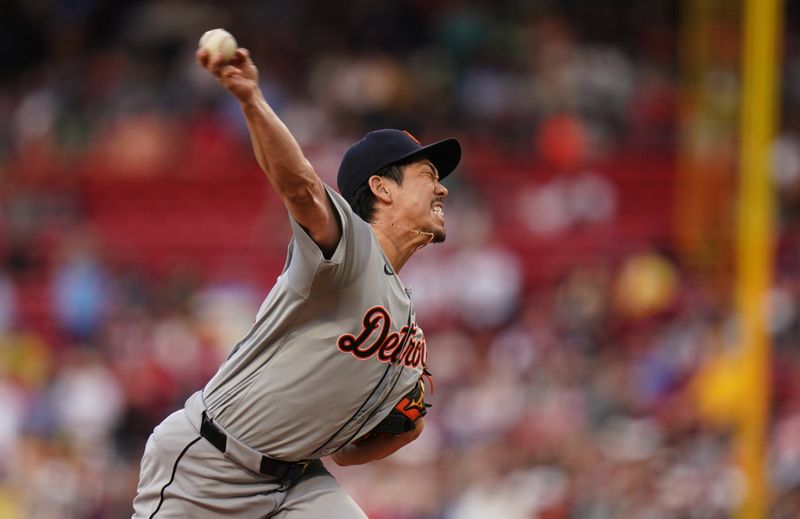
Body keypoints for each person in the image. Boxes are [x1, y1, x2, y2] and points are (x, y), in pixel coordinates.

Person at [131, 42, 461, 518]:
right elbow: (301, 188)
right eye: (428, 174)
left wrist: (404, 426)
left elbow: (349, 451)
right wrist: (250, 99)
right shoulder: (350, 252)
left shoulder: (407, 325)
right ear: (381, 187)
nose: (442, 186)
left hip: (299, 481)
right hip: (210, 465)